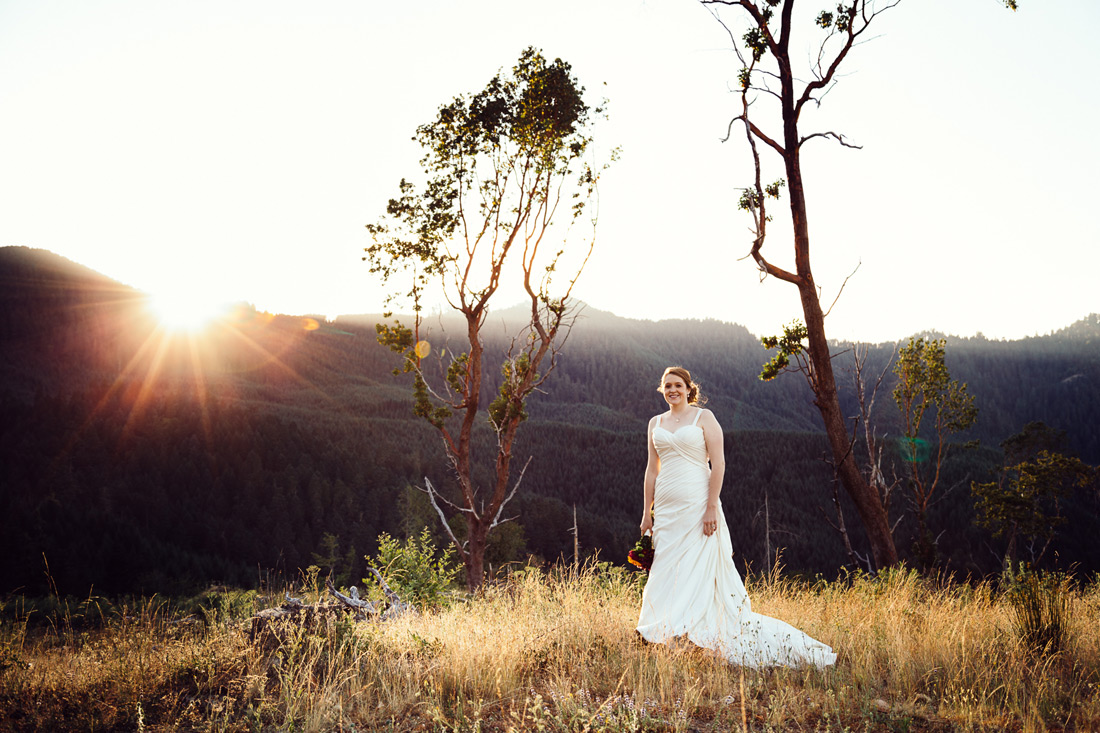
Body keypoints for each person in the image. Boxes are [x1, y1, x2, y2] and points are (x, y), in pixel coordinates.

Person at [636, 366, 836, 668]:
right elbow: (652, 469)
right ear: (661, 389)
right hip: (665, 507)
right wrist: (646, 513)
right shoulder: (655, 422)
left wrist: (711, 506)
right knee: (665, 566)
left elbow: (719, 465)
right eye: (667, 386)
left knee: (697, 567)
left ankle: (690, 632)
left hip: (697, 503)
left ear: (689, 389)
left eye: (678, 385)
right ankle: (663, 630)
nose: (672, 390)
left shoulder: (705, 418)